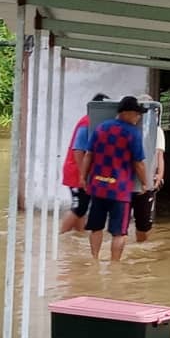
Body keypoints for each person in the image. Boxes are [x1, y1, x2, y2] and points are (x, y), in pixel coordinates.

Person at [79, 96, 151, 261]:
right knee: (119, 232)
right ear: (127, 113)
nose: (138, 117)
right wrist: (145, 183)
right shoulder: (133, 133)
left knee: (96, 227)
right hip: (120, 190)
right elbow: (139, 163)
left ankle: (94, 260)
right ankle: (115, 265)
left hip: (98, 187)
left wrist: (83, 177)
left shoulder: (101, 128)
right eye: (137, 114)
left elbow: (88, 155)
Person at [60, 92, 109, 234]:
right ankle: (60, 237)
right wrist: (83, 175)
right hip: (76, 172)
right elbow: (78, 151)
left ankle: (78, 236)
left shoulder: (91, 122)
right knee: (79, 207)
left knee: (82, 207)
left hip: (81, 171)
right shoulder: (87, 123)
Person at [131, 94, 166, 242]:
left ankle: (139, 247)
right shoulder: (129, 129)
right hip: (129, 182)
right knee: (121, 224)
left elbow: (159, 155)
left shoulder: (157, 131)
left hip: (147, 182)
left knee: (143, 225)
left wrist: (159, 175)